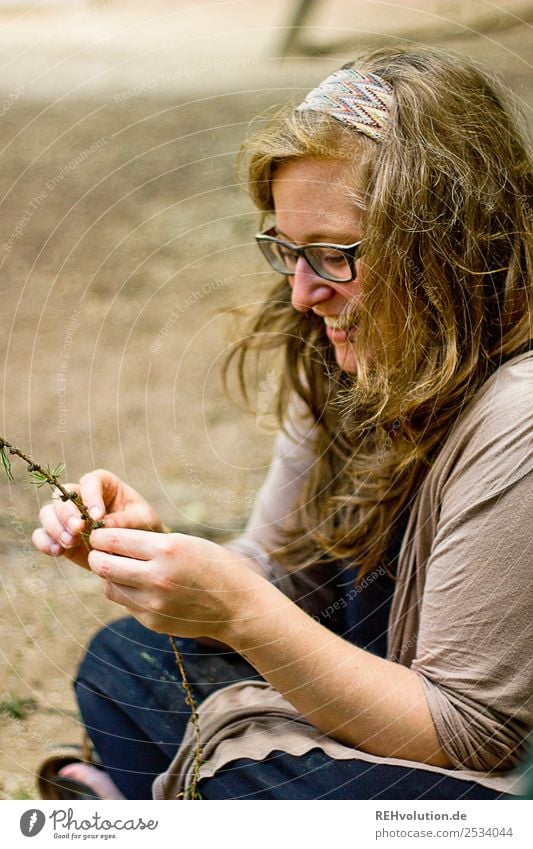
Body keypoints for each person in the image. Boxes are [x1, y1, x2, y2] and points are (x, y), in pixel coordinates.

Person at [32, 45, 532, 800]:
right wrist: (163, 557)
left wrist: (238, 612)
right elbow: (277, 570)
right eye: (289, 252)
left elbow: (471, 734)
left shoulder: (517, 413)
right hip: (369, 715)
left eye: (333, 254)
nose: (302, 293)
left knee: (300, 793)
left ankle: (154, 794)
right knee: (127, 661)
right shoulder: (346, 348)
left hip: (480, 782)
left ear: (447, 247)